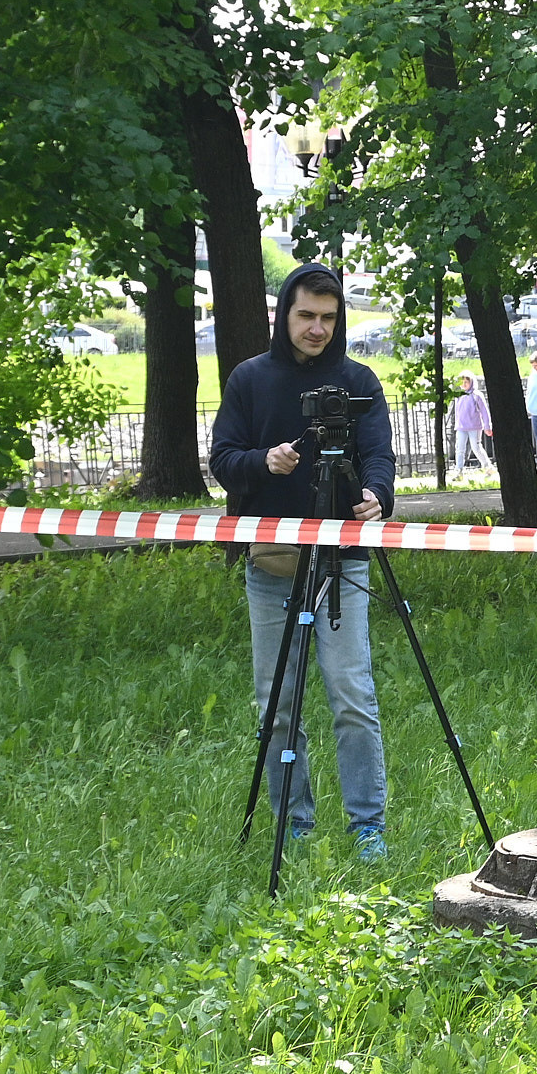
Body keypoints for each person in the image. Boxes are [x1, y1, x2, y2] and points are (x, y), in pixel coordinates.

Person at [209, 263, 396, 863]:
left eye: (327, 318)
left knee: (352, 695)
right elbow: (222, 459)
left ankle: (369, 827)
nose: (317, 328)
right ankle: (294, 821)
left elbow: (378, 457)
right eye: (306, 315)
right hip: (271, 564)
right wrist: (265, 462)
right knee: (277, 700)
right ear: (285, 314)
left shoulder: (360, 380)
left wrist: (376, 498)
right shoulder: (250, 380)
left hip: (343, 565)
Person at [452, 372, 493, 474]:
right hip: (461, 427)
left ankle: (488, 467)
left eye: (466, 382)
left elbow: (484, 411)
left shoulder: (477, 395)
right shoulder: (458, 395)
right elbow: (457, 411)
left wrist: (487, 426)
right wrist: (457, 424)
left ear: (471, 382)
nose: (464, 384)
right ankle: (459, 470)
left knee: (476, 447)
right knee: (459, 449)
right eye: (462, 382)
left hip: (474, 426)